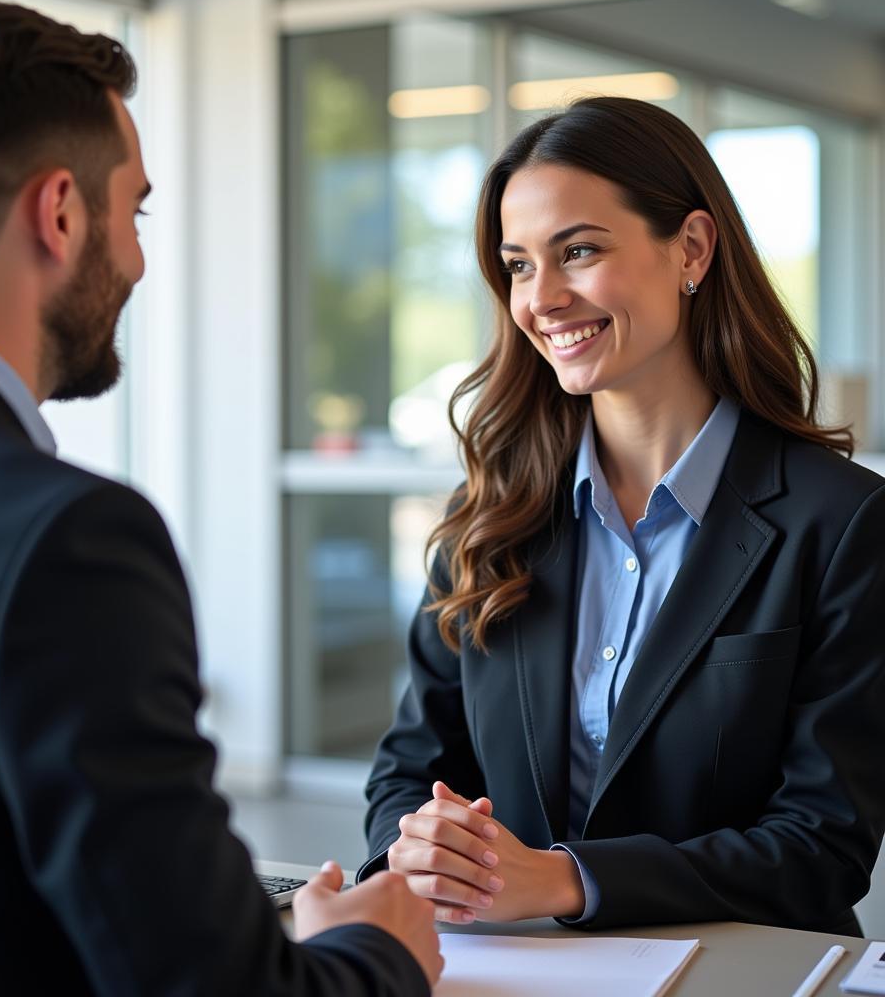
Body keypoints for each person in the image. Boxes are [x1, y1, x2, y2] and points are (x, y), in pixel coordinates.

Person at [0, 0, 441, 995]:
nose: (134, 258)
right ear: (58, 213)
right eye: (133, 210)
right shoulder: (64, 540)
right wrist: (378, 947)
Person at [360, 96, 885, 937]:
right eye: (519, 264)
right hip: (515, 973)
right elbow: (409, 772)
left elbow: (821, 846)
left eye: (578, 251)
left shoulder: (844, 523)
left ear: (691, 249)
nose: (543, 298)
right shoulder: (490, 516)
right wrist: (418, 847)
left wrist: (567, 880)